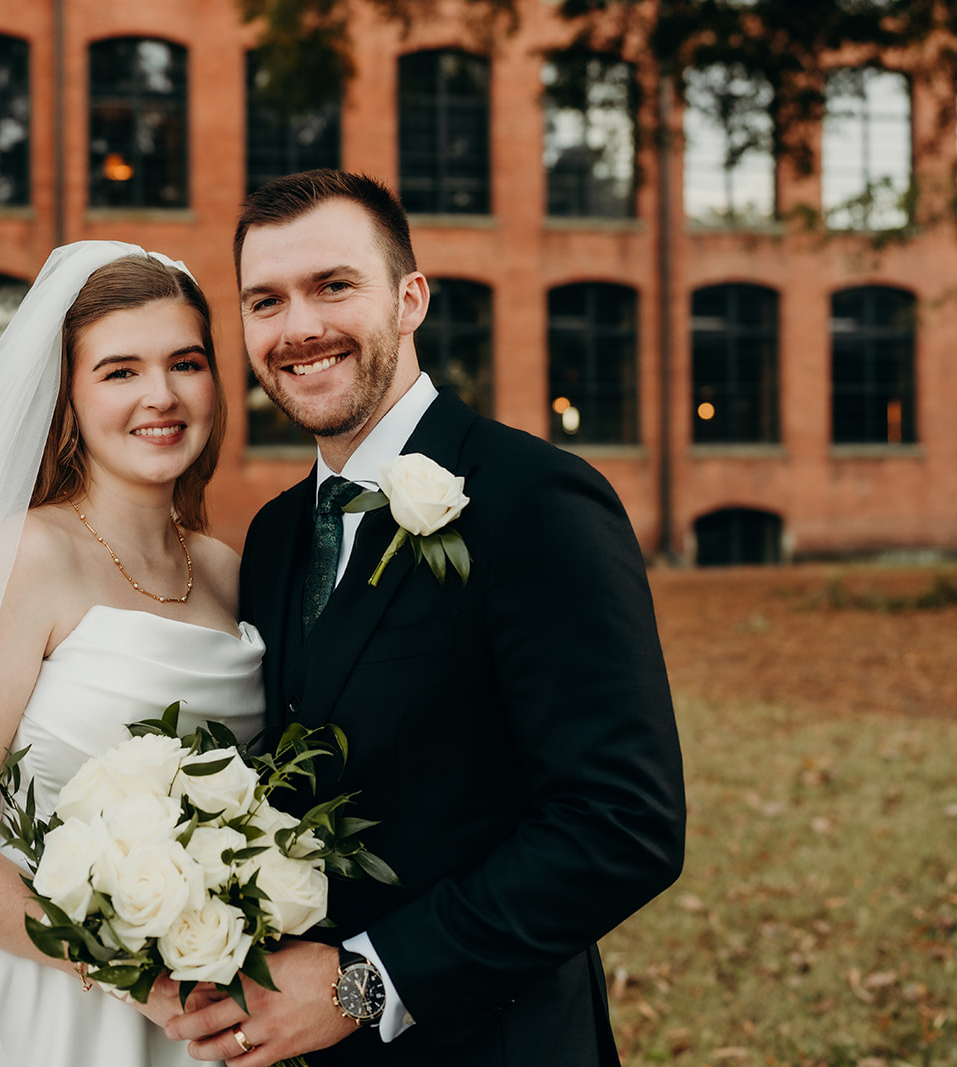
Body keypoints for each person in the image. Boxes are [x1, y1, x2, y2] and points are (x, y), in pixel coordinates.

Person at [165, 170, 686, 1065]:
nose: (300, 328)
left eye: (334, 285)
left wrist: (365, 983)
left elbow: (621, 823)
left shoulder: (538, 500)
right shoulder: (279, 532)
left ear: (410, 299)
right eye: (265, 301)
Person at [0, 242, 264, 1067]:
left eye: (187, 362)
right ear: (70, 395)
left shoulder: (229, 571)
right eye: (120, 371)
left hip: (202, 1011)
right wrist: (118, 964)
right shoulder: (29, 557)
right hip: (47, 1003)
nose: (161, 396)